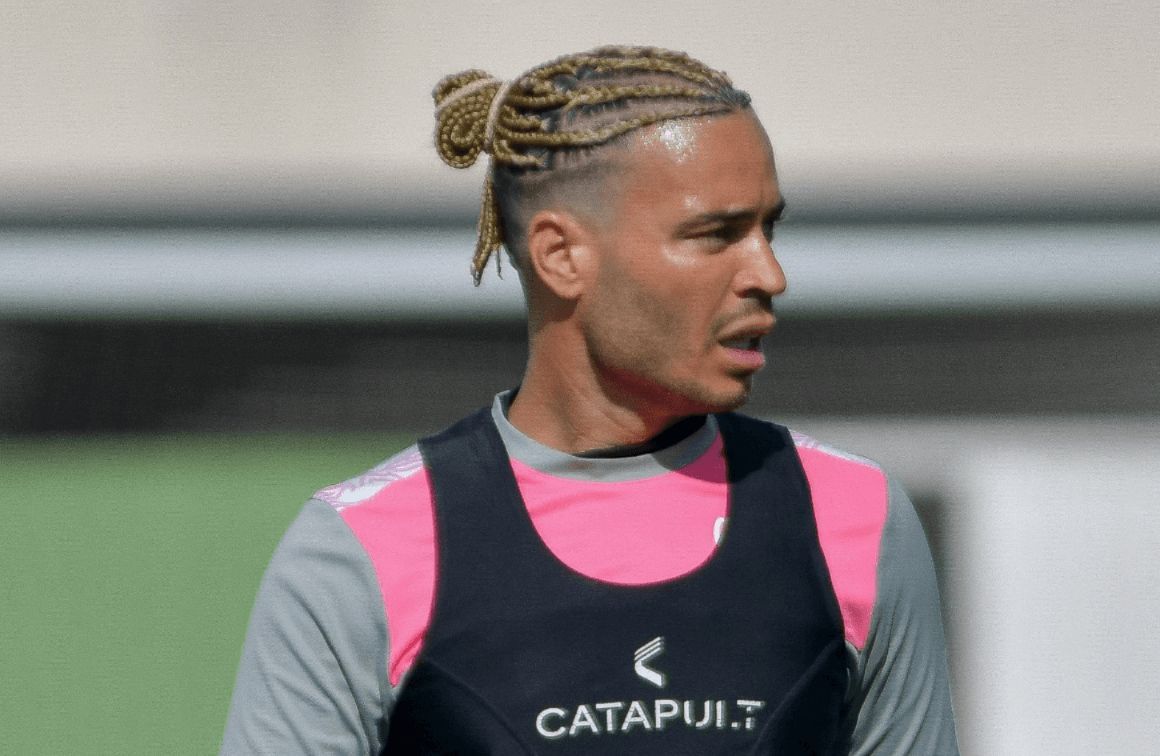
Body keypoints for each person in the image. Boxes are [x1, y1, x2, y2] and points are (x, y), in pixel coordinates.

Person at [220, 46, 958, 754]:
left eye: (769, 228)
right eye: (716, 234)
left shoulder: (855, 517)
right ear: (561, 255)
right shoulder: (360, 548)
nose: (768, 272)